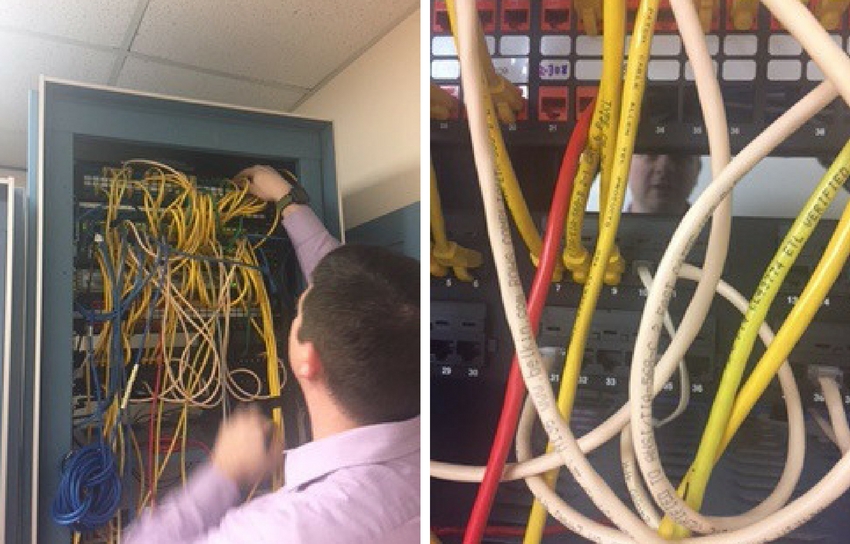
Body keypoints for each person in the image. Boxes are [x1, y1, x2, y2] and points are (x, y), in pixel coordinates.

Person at [125, 165, 421, 543]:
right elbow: (357, 299)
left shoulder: (286, 530)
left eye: (299, 312)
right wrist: (286, 199)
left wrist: (224, 472)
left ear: (307, 359)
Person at [626, 154, 702, 214]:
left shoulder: (713, 231)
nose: (663, 167)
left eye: (680, 155)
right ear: (625, 167)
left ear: (698, 170)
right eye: (651, 153)